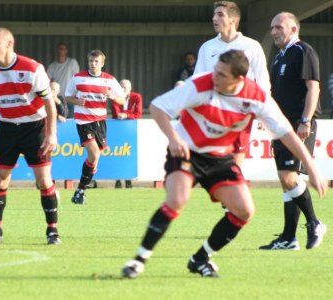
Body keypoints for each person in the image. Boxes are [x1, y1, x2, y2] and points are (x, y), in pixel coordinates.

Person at [121, 50, 327, 279]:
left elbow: (286, 133)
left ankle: (200, 258)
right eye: (215, 71)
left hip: (219, 159)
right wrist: (173, 138)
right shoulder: (200, 84)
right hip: (187, 152)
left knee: (244, 210)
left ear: (239, 79)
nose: (214, 77)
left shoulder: (255, 97)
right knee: (177, 199)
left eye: (221, 75)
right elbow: (158, 107)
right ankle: (138, 260)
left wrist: (312, 167)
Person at [0, 27, 61, 245]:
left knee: (43, 181)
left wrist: (51, 134)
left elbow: (49, 105)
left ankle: (52, 232)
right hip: (7, 128)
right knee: (0, 180)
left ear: (9, 44)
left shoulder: (32, 68)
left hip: (35, 127)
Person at [259, 12, 327, 250]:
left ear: (293, 29)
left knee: (289, 177)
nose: (274, 31)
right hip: (281, 126)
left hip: (298, 124)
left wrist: (305, 120)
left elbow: (313, 88)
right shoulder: (279, 58)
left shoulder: (303, 50)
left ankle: (314, 222)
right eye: (272, 27)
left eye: (279, 27)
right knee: (286, 179)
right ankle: (289, 238)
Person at [194, 1, 270, 166]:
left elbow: (263, 79)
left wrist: (264, 113)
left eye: (220, 15)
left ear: (234, 20)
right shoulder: (207, 48)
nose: (214, 18)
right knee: (215, 167)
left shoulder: (252, 46)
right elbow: (197, 81)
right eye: (214, 14)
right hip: (214, 114)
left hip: (241, 113)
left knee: (234, 165)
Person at [66, 49, 126, 204]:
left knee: (94, 160)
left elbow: (122, 100)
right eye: (91, 61)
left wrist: (112, 97)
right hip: (83, 122)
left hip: (100, 122)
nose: (93, 64)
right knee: (94, 155)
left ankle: (80, 192)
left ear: (102, 63)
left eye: (96, 61)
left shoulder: (109, 80)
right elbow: (67, 96)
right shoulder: (78, 78)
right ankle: (80, 190)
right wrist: (76, 101)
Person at [111, 79, 143, 189]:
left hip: (131, 130)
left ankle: (129, 180)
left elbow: (138, 114)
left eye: (125, 87)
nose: (122, 89)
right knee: (118, 154)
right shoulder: (115, 98)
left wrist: (126, 116)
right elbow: (116, 114)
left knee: (129, 154)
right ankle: (118, 180)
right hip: (118, 129)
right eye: (121, 87)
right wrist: (129, 114)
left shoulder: (137, 97)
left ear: (130, 88)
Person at [47, 42, 79, 118]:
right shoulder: (52, 66)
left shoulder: (72, 63)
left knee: (70, 123)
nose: (60, 51)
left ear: (66, 51)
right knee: (59, 122)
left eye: (62, 49)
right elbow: (47, 82)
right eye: (58, 49)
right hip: (58, 100)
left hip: (70, 99)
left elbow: (77, 79)